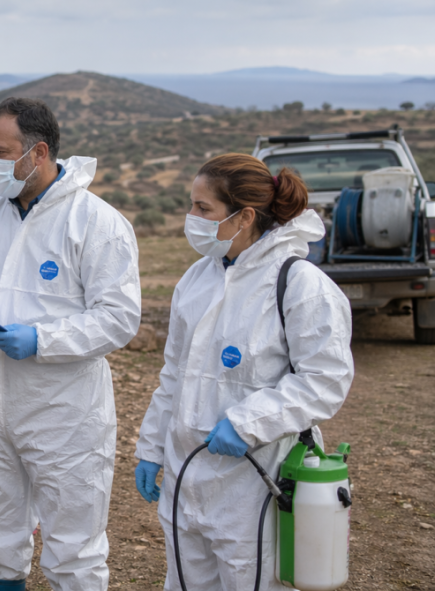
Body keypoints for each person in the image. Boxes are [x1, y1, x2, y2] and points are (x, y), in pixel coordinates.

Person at [0, 97, 141, 591]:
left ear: (38, 152)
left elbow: (119, 319)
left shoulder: (96, 223)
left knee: (73, 545)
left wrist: (42, 339)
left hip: (65, 414)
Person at [133, 154, 354, 590]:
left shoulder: (298, 283)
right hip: (187, 470)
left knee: (251, 578)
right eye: (190, 205)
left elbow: (325, 380)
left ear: (245, 216)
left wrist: (245, 422)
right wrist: (152, 447)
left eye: (203, 209)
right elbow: (173, 374)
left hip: (255, 478)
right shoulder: (196, 280)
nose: (190, 218)